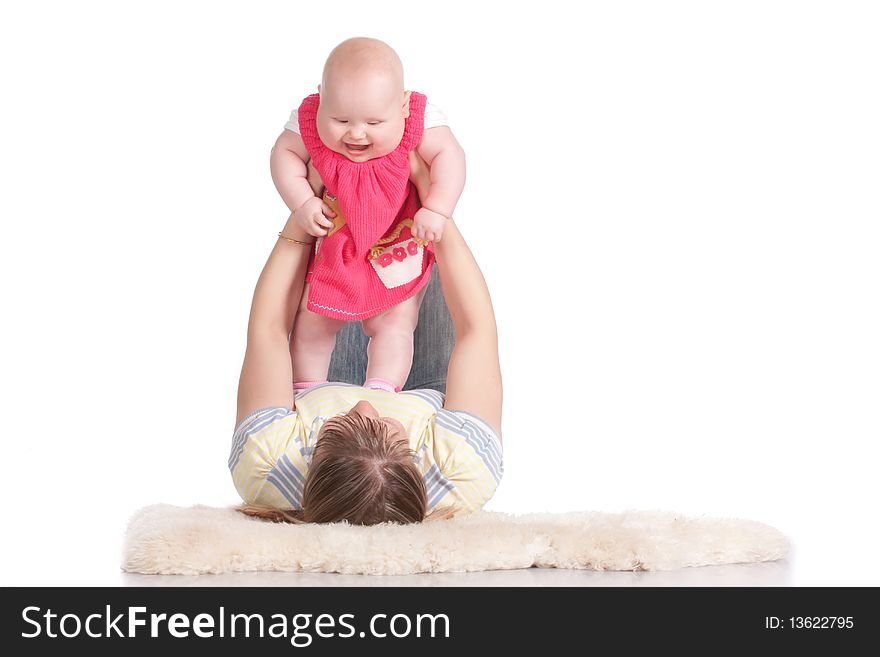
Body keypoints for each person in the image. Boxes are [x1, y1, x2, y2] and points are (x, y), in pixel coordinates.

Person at [230, 154, 501, 525]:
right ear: (414, 458)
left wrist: (305, 209)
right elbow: (476, 331)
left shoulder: (266, 462)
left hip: (318, 380)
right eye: (388, 425)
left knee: (337, 262)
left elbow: (268, 330)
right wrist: (431, 202)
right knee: (413, 248)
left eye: (339, 422)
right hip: (434, 407)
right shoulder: (461, 467)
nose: (364, 404)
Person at [270, 37, 466, 395]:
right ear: (320, 99)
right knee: (312, 318)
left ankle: (381, 391)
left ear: (404, 105)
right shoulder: (308, 120)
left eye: (375, 122)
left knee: (396, 320)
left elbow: (450, 157)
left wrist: (437, 208)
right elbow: (283, 154)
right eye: (340, 119)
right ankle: (307, 390)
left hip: (397, 239)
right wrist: (302, 202)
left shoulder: (420, 119)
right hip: (338, 242)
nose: (356, 133)